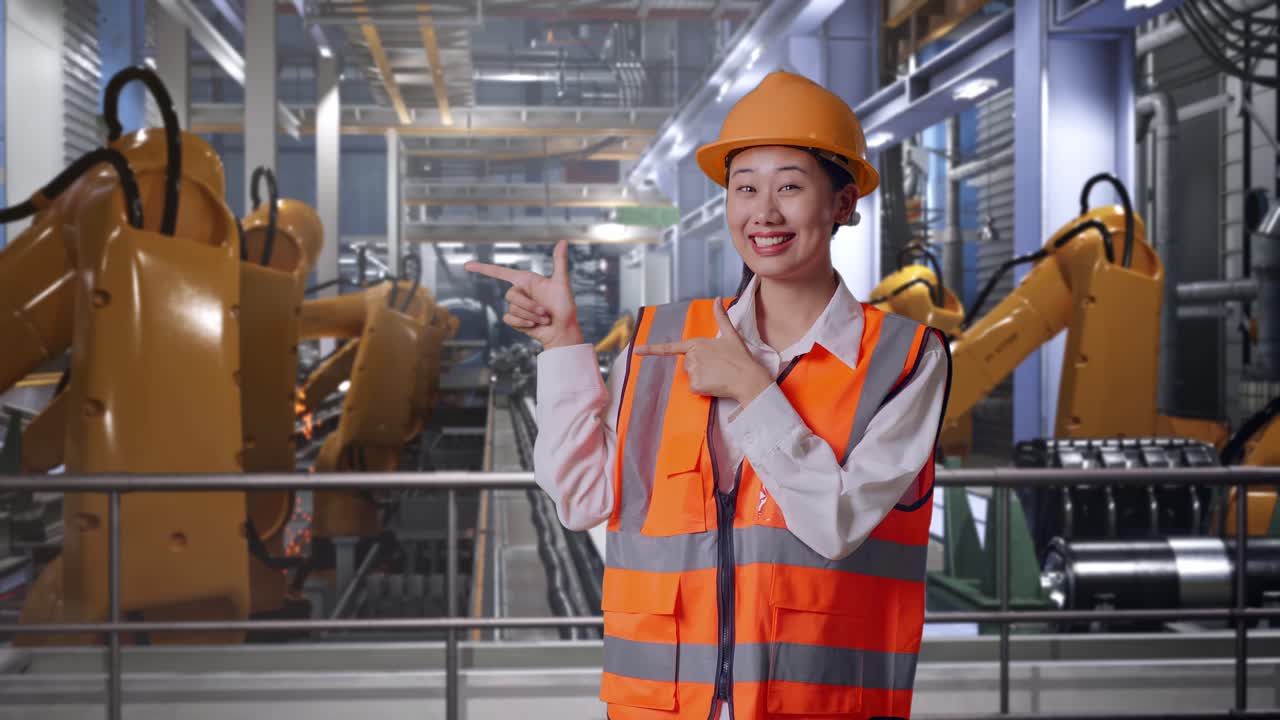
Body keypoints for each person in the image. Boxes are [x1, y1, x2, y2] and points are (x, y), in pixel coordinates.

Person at [466, 71, 952, 720]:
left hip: (819, 704)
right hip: (664, 705)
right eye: (745, 187)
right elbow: (581, 498)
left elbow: (835, 525)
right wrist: (562, 347)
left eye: (790, 186)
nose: (764, 212)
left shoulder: (905, 358)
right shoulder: (664, 339)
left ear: (841, 204)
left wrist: (753, 390)